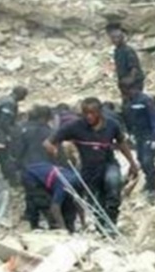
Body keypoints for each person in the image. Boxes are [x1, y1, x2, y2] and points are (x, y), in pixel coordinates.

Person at [44, 97, 139, 235]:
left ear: (100, 112)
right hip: (89, 169)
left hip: (108, 164)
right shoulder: (75, 126)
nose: (89, 116)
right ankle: (102, 228)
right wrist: (54, 151)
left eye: (92, 113)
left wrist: (132, 163)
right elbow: (49, 142)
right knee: (95, 200)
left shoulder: (112, 125)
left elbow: (122, 144)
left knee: (113, 185)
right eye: (85, 113)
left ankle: (111, 223)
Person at [125, 85, 155, 200]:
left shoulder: (145, 100)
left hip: (148, 136)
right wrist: (130, 132)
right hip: (138, 136)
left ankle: (152, 188)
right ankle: (150, 180)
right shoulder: (129, 101)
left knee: (147, 160)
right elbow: (129, 118)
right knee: (141, 159)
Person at [107, 24, 145, 96]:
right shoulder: (117, 51)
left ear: (122, 38)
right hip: (124, 83)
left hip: (133, 83)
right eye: (113, 38)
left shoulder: (128, 50)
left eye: (118, 37)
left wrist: (130, 79)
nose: (116, 40)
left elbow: (134, 67)